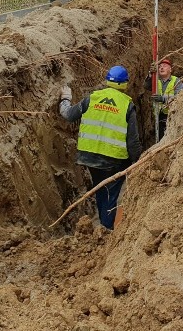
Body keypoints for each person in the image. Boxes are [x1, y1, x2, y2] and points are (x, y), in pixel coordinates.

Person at [58, 65, 141, 230]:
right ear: (125, 83)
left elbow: (67, 115)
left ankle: (104, 225)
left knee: (101, 190)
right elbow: (133, 141)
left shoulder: (93, 98)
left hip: (90, 158)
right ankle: (106, 230)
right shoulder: (126, 105)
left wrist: (65, 98)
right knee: (111, 195)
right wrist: (137, 161)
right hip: (114, 161)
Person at [144, 58, 183, 141]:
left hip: (172, 115)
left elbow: (179, 97)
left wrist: (163, 99)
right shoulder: (156, 80)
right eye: (160, 67)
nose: (161, 68)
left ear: (170, 69)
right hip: (158, 115)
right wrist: (151, 74)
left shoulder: (176, 81)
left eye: (165, 66)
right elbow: (146, 86)